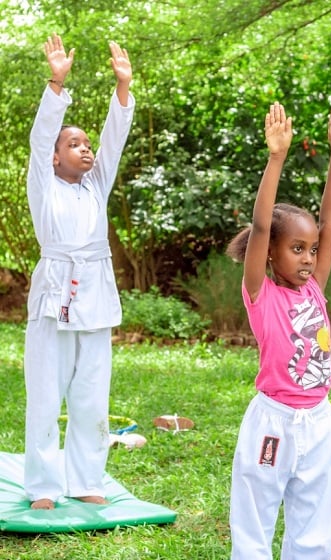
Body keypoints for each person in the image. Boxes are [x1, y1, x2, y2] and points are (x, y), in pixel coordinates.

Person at [226, 101, 331, 559]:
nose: (308, 258)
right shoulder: (261, 293)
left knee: (316, 527)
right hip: (272, 424)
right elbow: (261, 225)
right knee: (255, 522)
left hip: (319, 421)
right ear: (271, 253)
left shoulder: (314, 289)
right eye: (296, 248)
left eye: (312, 250)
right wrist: (276, 158)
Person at [24, 33, 135, 510]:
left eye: (87, 144)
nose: (86, 149)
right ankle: (45, 486)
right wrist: (56, 82)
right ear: (54, 155)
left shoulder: (95, 186)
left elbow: (115, 138)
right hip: (54, 294)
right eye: (74, 143)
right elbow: (40, 134)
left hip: (95, 294)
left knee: (91, 397)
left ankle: (87, 477)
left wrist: (123, 88)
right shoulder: (43, 184)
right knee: (46, 396)